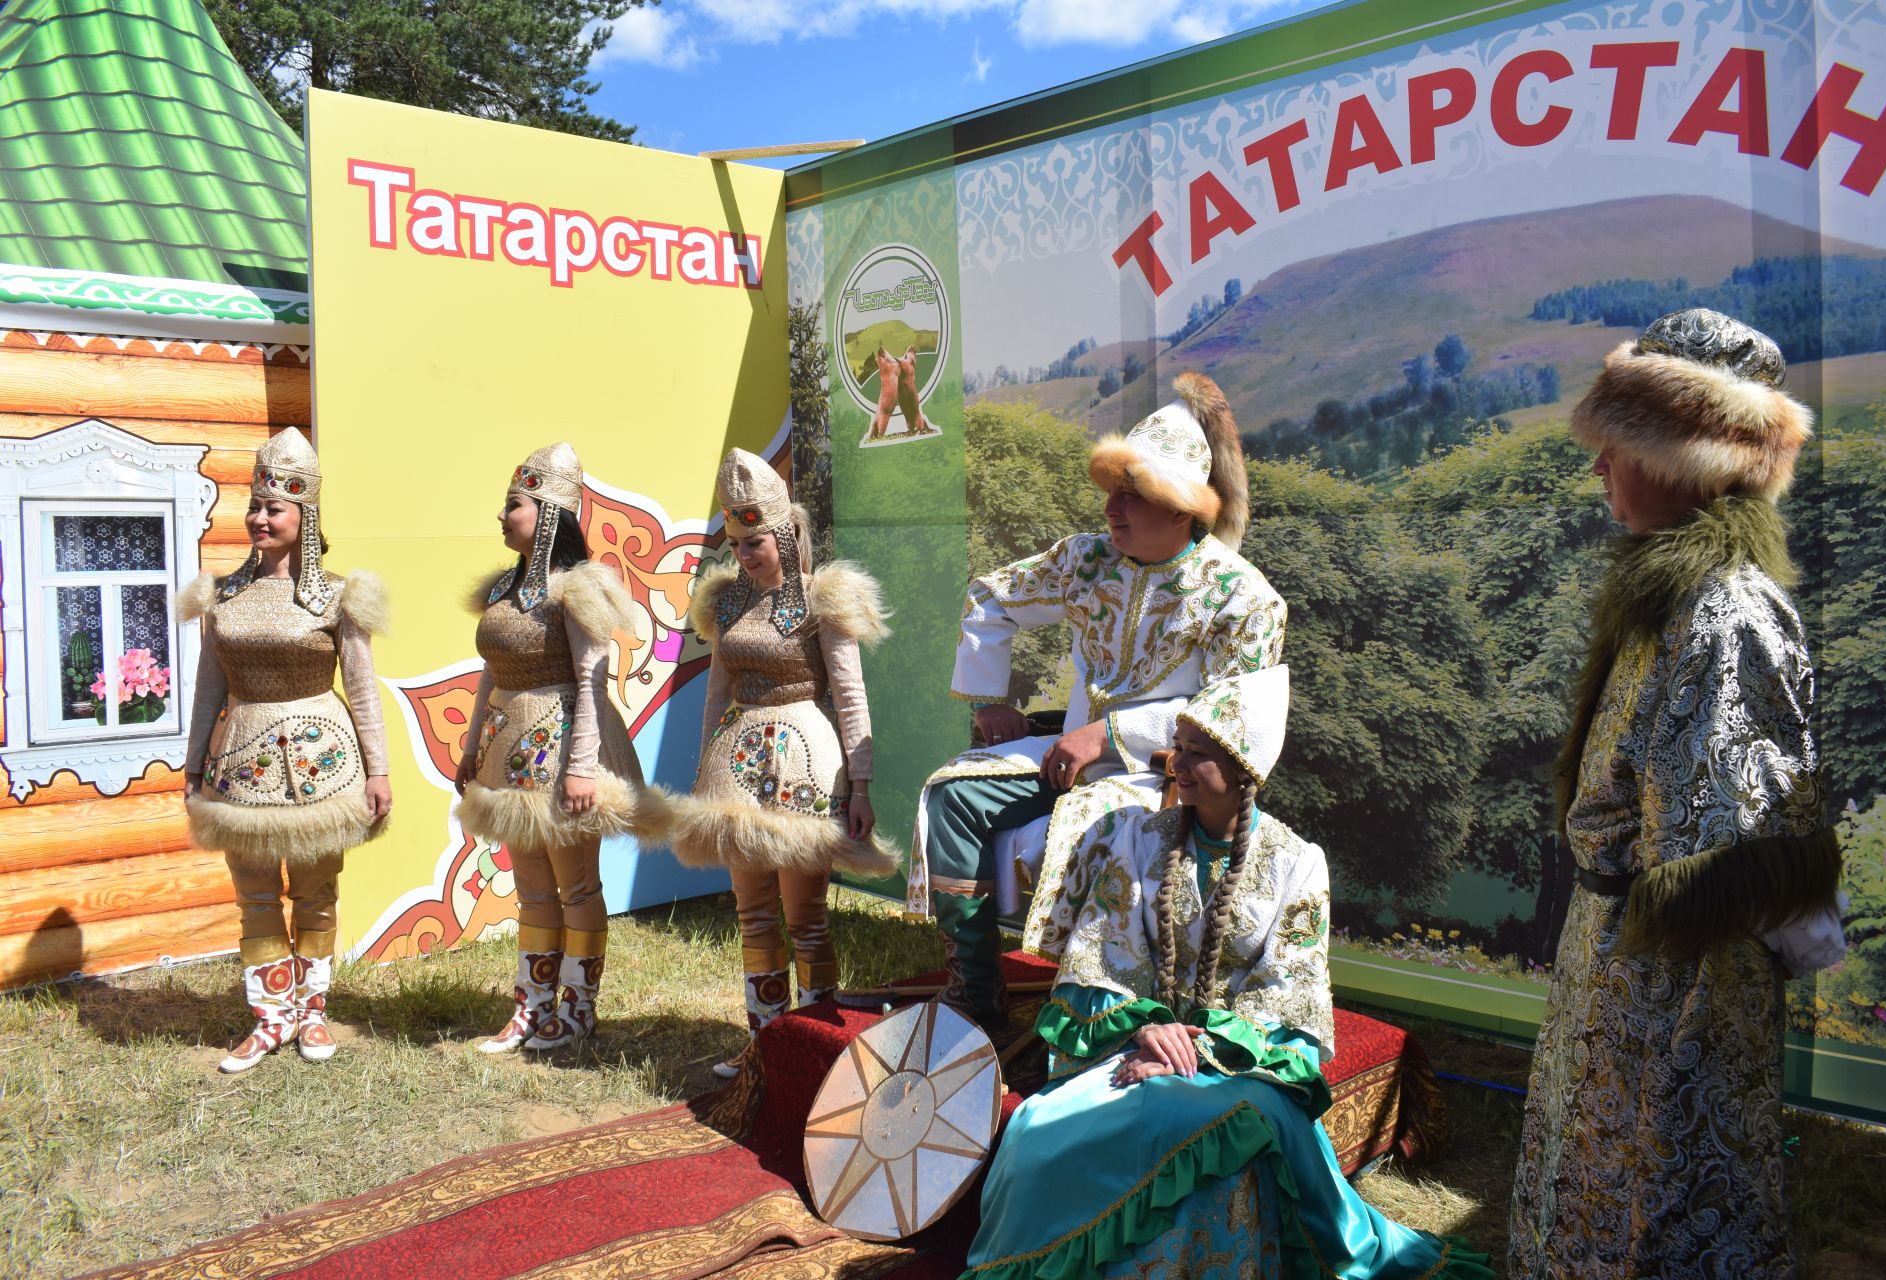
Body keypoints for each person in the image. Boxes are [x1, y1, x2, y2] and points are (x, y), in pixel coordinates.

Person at [1509, 309, 1843, 1279]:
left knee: (1665, 1187)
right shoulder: (1668, 596)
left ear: (1688, 455)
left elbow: (1741, 845)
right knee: (1595, 1179)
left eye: (1620, 445)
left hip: (1676, 980)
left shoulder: (1726, 610)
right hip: (1622, 960)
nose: (1600, 467)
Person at [963, 666, 1490, 1280]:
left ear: (1245, 770)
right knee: (1036, 1128)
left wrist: (1196, 1048)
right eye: (1178, 750)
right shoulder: (1137, 839)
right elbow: (1100, 953)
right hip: (1133, 1043)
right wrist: (1142, 1029)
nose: (1178, 767)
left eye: (1199, 755)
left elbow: (1289, 995)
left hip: (1241, 1062)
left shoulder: (1298, 864)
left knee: (1188, 1124)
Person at [908, 371, 1286, 1030]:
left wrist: (1107, 738)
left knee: (1099, 829)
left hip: (1162, 780)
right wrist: (987, 699)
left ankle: (1101, 1015)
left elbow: (1232, 717)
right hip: (1064, 755)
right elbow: (989, 597)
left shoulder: (1241, 596)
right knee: (952, 795)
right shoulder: (1086, 561)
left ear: (1180, 508)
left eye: (1132, 496)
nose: (1111, 510)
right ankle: (976, 985)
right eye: (1112, 491)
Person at [673, 448, 896, 1076]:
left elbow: (850, 695)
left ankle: (817, 1047)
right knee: (753, 909)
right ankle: (765, 1048)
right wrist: (702, 774)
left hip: (806, 759)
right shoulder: (727, 605)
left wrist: (861, 785)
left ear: (785, 531)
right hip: (736, 761)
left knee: (805, 914)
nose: (743, 554)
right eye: (736, 543)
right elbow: (717, 689)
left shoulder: (825, 599)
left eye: (755, 541)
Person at [181, 428, 392, 1074]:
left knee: (316, 890)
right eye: (255, 505)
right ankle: (271, 1018)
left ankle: (314, 1013)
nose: (260, 518)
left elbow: (361, 685)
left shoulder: (337, 596)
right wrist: (192, 769)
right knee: (254, 894)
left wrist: (379, 769)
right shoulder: (224, 597)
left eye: (275, 508)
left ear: (306, 513)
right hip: (238, 762)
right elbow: (207, 688)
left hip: (323, 765)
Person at [456, 442, 672, 1053]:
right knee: (530, 887)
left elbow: (591, 678)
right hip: (508, 753)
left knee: (575, 885)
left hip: (564, 752)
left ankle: (577, 1009)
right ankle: (531, 1007)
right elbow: (490, 673)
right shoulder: (504, 586)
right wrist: (472, 748)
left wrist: (582, 769)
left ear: (548, 513)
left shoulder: (578, 589)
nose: (502, 517)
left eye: (513, 506)